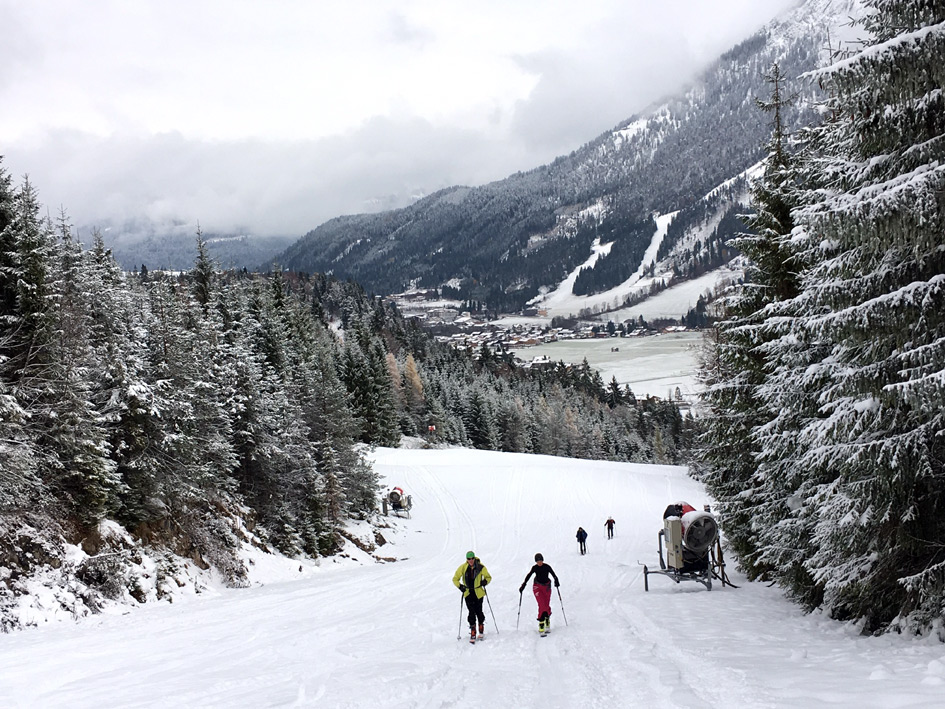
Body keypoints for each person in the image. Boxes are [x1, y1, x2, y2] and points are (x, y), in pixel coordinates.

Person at [452, 551, 492, 642]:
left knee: (479, 611)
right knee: (471, 612)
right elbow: (455, 579)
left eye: (472, 558)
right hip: (468, 593)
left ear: (474, 558)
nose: (471, 560)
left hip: (478, 593)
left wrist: (485, 582)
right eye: (469, 559)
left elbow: (488, 577)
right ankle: (473, 631)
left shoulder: (480, 567)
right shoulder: (463, 567)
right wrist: (460, 586)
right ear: (466, 559)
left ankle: (481, 629)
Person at [519, 553, 560, 635]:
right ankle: (541, 625)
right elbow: (529, 575)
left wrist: (556, 580)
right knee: (542, 604)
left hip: (547, 587)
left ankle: (547, 620)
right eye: (537, 561)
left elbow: (554, 575)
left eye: (540, 561)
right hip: (537, 587)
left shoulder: (547, 567)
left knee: (546, 604)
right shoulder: (535, 568)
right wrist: (523, 584)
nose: (539, 563)